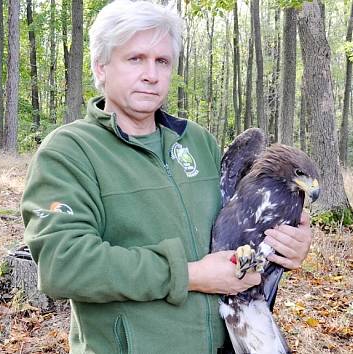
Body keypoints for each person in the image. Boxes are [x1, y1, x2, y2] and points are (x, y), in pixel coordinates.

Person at [21, 1, 313, 353]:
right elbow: (63, 264)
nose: (151, 74)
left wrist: (287, 247)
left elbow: (236, 232)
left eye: (162, 61)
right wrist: (190, 275)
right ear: (101, 67)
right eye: (135, 59)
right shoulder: (69, 152)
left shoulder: (198, 141)